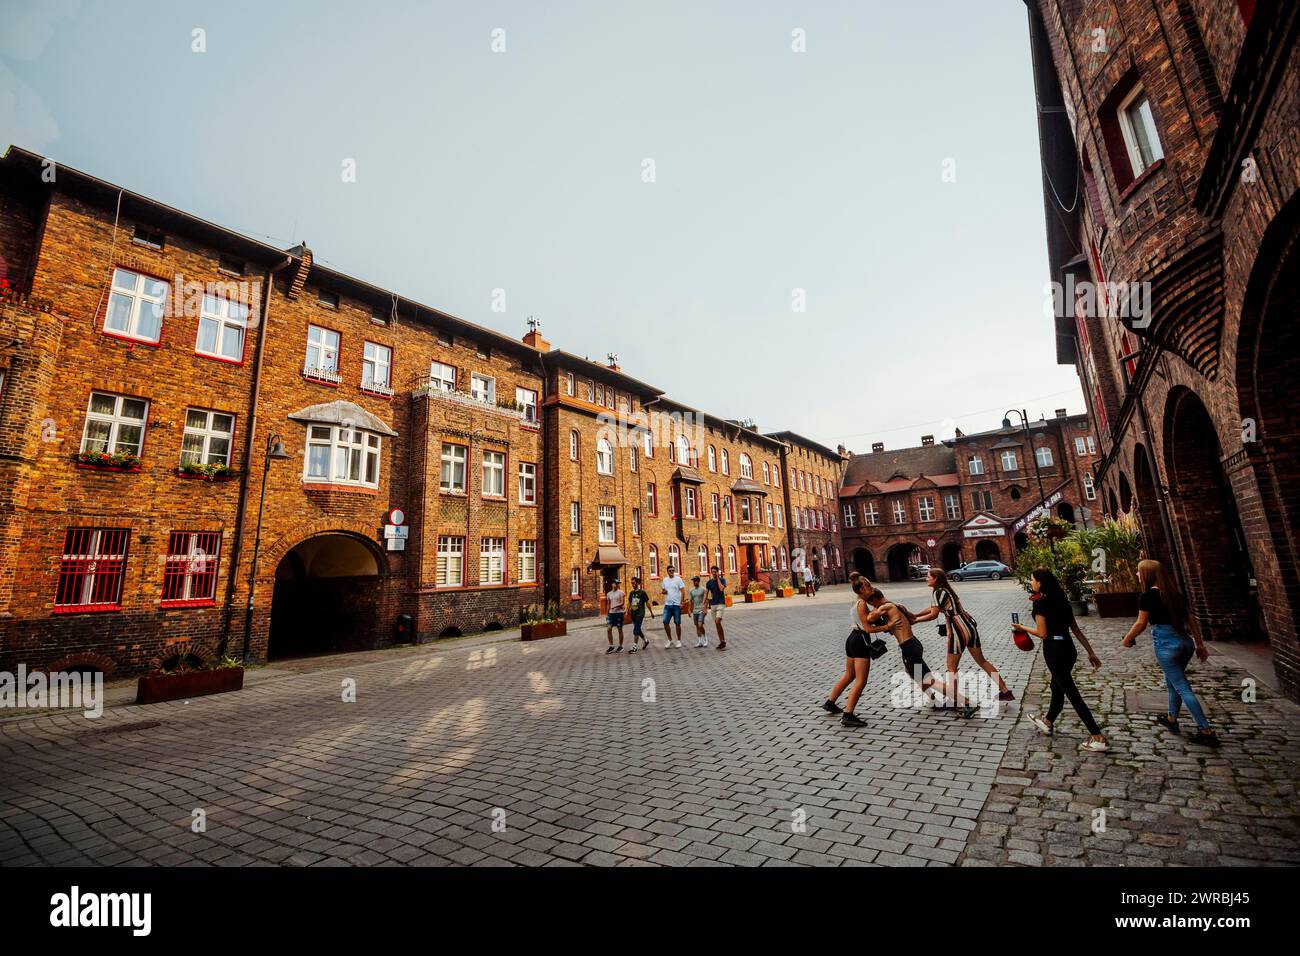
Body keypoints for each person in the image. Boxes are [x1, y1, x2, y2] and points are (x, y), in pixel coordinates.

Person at [1121, 559, 1220, 746]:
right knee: (1173, 681)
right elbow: (1191, 622)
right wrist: (1199, 645)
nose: (1136, 574)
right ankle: (1171, 718)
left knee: (1182, 687)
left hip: (1166, 643)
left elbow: (1141, 623)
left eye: (1138, 572)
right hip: (1184, 642)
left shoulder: (1147, 597)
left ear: (1146, 575)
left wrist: (1127, 638)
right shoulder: (1175, 595)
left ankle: (1206, 730)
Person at [1013, 567, 1108, 752]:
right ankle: (1048, 721)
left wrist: (1021, 627)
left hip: (1054, 651)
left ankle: (1097, 736)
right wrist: (1091, 652)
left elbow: (1042, 633)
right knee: (1057, 686)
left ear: (1040, 583)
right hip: (1069, 649)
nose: (1031, 583)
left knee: (1070, 691)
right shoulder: (1063, 602)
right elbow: (1076, 630)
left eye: (1032, 580)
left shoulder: (1041, 604)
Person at [862, 588, 979, 718]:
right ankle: (934, 700)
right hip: (912, 645)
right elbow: (911, 619)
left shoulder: (887, 606)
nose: (873, 607)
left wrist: (867, 609)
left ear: (875, 599)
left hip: (909, 647)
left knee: (929, 680)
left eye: (872, 604)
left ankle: (967, 702)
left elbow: (870, 618)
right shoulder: (896, 606)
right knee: (912, 673)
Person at [911, 568, 1014, 702]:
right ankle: (1005, 691)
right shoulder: (947, 590)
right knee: (982, 661)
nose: (926, 578)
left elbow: (933, 614)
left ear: (936, 578)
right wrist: (916, 614)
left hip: (957, 630)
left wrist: (916, 620)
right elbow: (934, 608)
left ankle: (955, 699)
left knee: (951, 667)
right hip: (970, 627)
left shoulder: (938, 592)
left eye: (928, 576)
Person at [821, 579, 878, 727]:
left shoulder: (856, 602)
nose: (871, 588)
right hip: (860, 640)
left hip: (852, 638)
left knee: (849, 674)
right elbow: (868, 629)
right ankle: (848, 714)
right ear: (861, 590)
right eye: (868, 586)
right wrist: (889, 626)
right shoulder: (863, 604)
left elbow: (864, 621)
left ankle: (830, 702)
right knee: (861, 680)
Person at [661, 565, 687, 648]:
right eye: (670, 571)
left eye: (672, 570)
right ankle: (670, 640)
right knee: (665, 622)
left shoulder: (678, 579)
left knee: (677, 623)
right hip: (668, 605)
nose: (671, 572)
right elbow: (663, 591)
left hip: (676, 605)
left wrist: (682, 602)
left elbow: (683, 591)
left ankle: (679, 641)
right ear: (667, 571)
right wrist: (664, 592)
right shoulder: (665, 580)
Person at [705, 565, 728, 650]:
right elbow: (706, 594)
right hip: (713, 604)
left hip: (720, 603)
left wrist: (718, 578)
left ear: (718, 572)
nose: (714, 573)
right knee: (717, 624)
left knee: (718, 621)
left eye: (715, 572)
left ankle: (722, 641)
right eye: (712, 572)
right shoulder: (709, 583)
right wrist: (704, 605)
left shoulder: (722, 580)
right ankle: (722, 641)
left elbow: (721, 589)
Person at [626, 577, 652, 652]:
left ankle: (634, 647)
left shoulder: (642, 593)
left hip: (640, 614)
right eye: (632, 583)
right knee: (638, 629)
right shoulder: (631, 593)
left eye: (634, 583)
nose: (632, 584)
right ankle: (646, 640)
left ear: (637, 583)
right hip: (633, 614)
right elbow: (629, 603)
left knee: (635, 630)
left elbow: (647, 603)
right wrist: (627, 612)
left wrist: (651, 612)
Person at [688, 575, 710, 647]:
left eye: (696, 581)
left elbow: (707, 599)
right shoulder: (691, 590)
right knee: (697, 626)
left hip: (701, 610)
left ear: (699, 581)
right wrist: (689, 610)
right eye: (694, 581)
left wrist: (705, 608)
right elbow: (690, 601)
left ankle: (705, 639)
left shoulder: (703, 589)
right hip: (695, 611)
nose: (694, 582)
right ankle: (700, 641)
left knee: (700, 625)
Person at [605, 579, 626, 653]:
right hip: (611, 614)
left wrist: (615, 606)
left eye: (618, 583)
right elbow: (608, 604)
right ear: (612, 584)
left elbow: (622, 602)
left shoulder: (621, 593)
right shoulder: (609, 594)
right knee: (608, 629)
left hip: (619, 613)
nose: (617, 585)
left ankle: (620, 646)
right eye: (616, 583)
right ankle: (611, 646)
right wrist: (607, 614)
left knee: (619, 629)